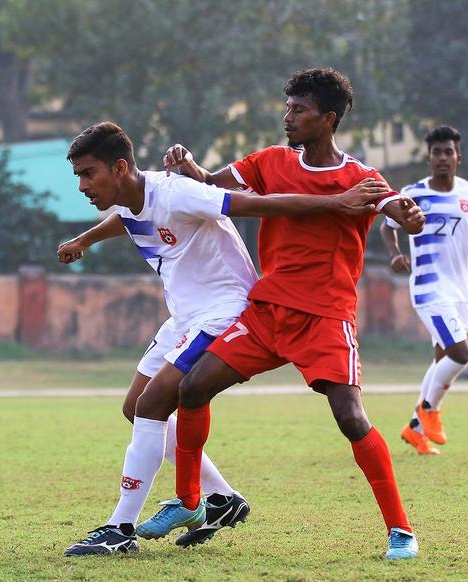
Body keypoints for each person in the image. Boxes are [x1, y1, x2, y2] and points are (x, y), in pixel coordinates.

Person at [58, 121, 391, 556]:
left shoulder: (178, 192)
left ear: (119, 168)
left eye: (88, 173)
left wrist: (337, 201)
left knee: (152, 404)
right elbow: (126, 219)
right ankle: (222, 498)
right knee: (134, 408)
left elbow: (258, 205)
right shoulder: (131, 199)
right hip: (184, 316)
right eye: (79, 176)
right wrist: (83, 240)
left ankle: (119, 529)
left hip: (222, 310)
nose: (82, 185)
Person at [156, 68, 426, 560]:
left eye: (299, 110)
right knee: (192, 387)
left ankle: (401, 531)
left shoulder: (360, 177)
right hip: (267, 311)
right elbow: (211, 188)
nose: (288, 117)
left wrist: (407, 214)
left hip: (325, 317)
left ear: (328, 119)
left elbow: (394, 206)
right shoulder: (270, 161)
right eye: (287, 108)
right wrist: (190, 165)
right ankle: (189, 500)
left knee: (350, 417)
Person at [379, 126, 468, 455]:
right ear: (429, 158)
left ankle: (415, 430)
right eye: (437, 153)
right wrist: (395, 255)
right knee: (460, 354)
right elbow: (387, 228)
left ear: (458, 157)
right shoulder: (412, 194)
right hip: (429, 288)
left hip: (460, 290)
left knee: (442, 358)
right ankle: (428, 411)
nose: (443, 158)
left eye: (449, 152)